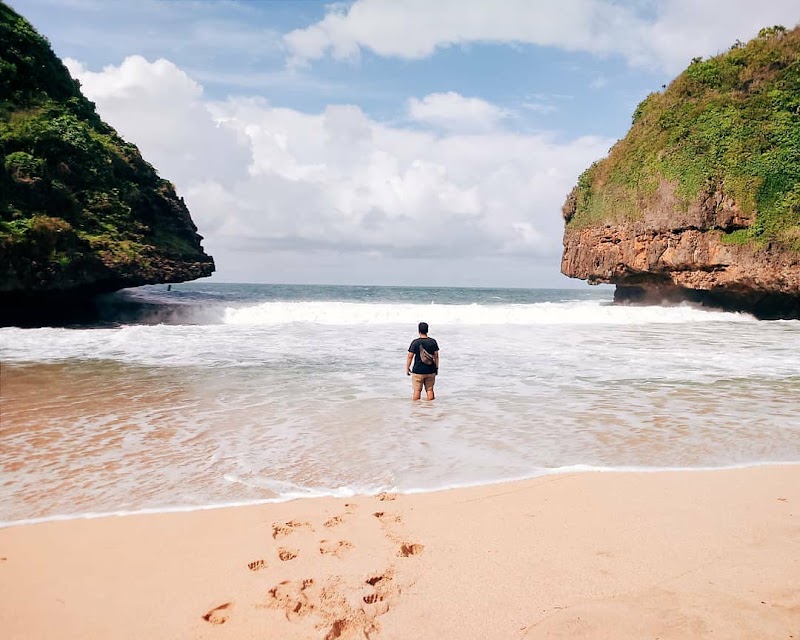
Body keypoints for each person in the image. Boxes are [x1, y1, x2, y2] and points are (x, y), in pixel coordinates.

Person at [406, 321, 439, 401]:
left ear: (419, 331)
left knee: (417, 390)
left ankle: (417, 411)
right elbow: (436, 356)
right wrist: (436, 368)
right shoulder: (433, 342)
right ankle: (431, 409)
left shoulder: (415, 342)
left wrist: (407, 368)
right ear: (427, 330)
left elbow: (410, 356)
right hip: (430, 370)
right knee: (430, 390)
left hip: (418, 371)